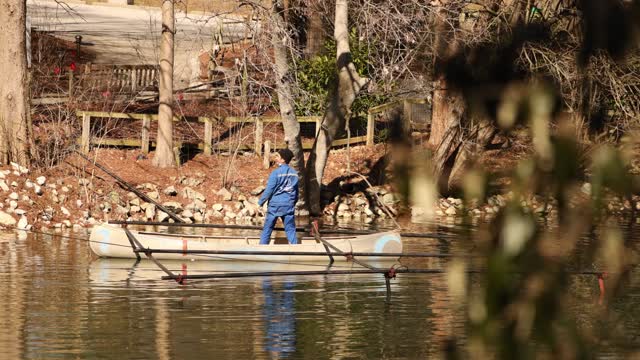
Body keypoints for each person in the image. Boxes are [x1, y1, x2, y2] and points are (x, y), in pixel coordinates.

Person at [258, 148, 299, 245]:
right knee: (290, 229)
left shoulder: (275, 173)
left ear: (283, 160)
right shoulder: (294, 173)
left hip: (275, 205)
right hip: (288, 204)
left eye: (278, 157)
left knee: (268, 228)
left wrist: (260, 203)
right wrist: (293, 202)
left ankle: (262, 249)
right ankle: (295, 249)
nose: (276, 158)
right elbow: (296, 191)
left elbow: (269, 190)